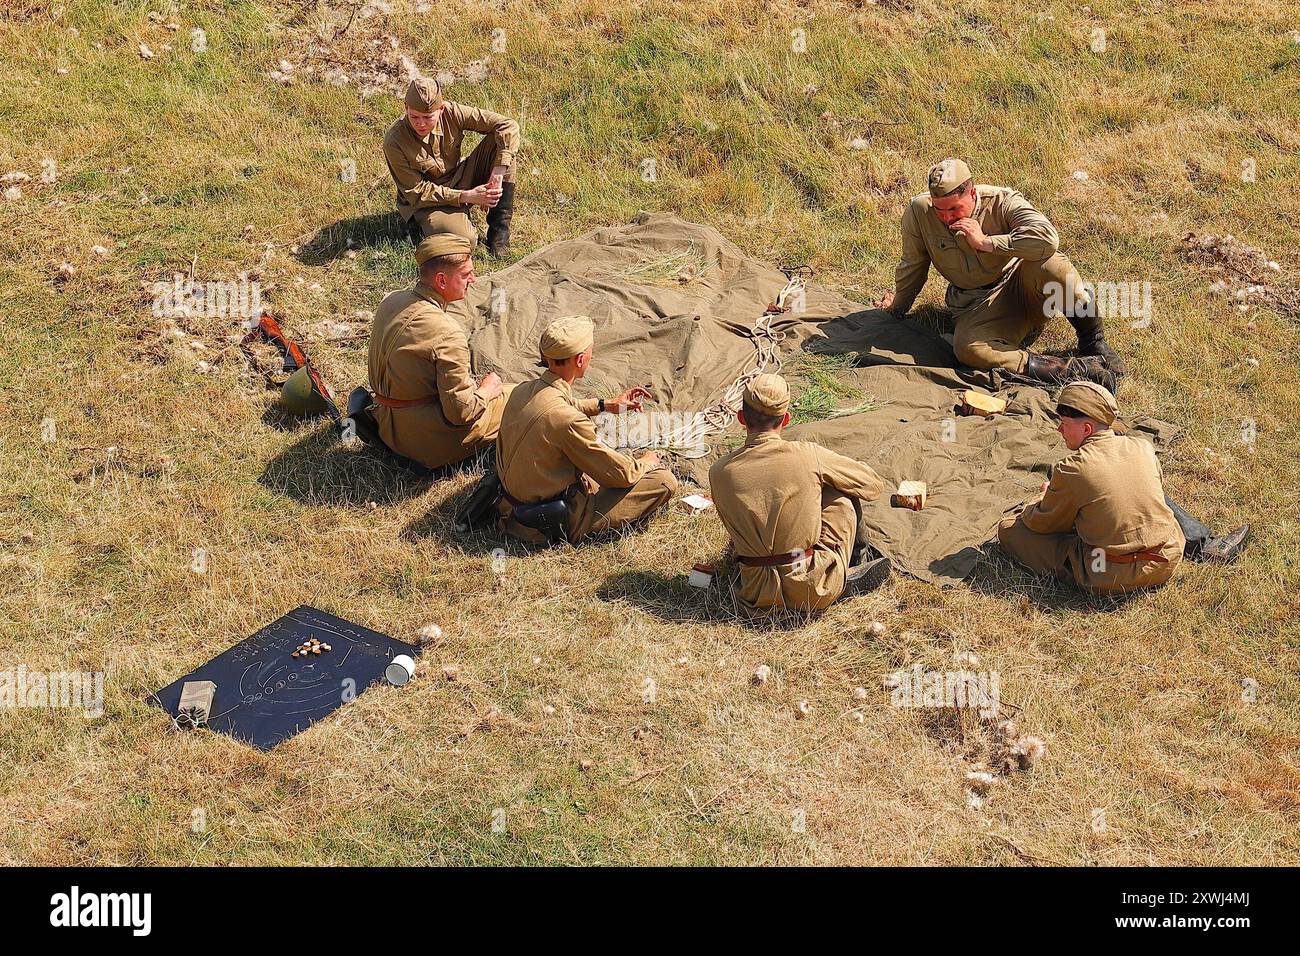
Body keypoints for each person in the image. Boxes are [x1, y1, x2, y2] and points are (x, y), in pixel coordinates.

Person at [878, 157, 1122, 390]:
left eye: (953, 208)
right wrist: (898, 307)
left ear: (972, 193)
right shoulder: (919, 212)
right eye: (939, 210)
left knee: (1053, 265)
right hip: (976, 306)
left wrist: (987, 243)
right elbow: (913, 264)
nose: (946, 217)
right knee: (967, 349)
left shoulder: (1001, 201)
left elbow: (1047, 238)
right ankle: (1072, 370)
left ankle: (1094, 341)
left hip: (1026, 288)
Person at [997, 382, 1248, 593]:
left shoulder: (1072, 468)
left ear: (1086, 428)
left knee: (1009, 530)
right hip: (1168, 559)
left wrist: (1039, 499)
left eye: (1063, 422)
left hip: (1109, 572)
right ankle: (1206, 546)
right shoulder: (1141, 446)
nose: (1058, 429)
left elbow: (1044, 524)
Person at [708, 373, 891, 611]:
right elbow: (872, 486)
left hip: (753, 591)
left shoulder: (718, 472)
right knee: (841, 496)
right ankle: (847, 569)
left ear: (741, 417)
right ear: (786, 419)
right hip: (811, 586)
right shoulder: (806, 454)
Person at [493, 315, 677, 544]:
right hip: (548, 522)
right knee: (664, 481)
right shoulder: (569, 422)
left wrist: (604, 405)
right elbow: (621, 475)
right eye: (591, 351)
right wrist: (647, 463)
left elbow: (556, 405)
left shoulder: (521, 390)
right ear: (580, 360)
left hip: (509, 505)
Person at [364, 233, 510, 470]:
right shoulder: (447, 333)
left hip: (385, 422)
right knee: (516, 397)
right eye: (465, 275)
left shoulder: (391, 300)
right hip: (420, 442)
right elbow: (461, 413)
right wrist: (486, 391)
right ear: (441, 280)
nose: (473, 280)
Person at [383, 77, 520, 256]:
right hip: (428, 202)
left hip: (458, 178)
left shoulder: (452, 112)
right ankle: (419, 225)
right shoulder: (394, 141)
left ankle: (499, 234)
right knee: (466, 241)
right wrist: (468, 196)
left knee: (503, 146)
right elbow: (417, 193)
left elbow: (508, 125)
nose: (421, 124)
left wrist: (497, 175)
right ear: (406, 108)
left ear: (441, 109)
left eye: (428, 117)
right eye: (414, 116)